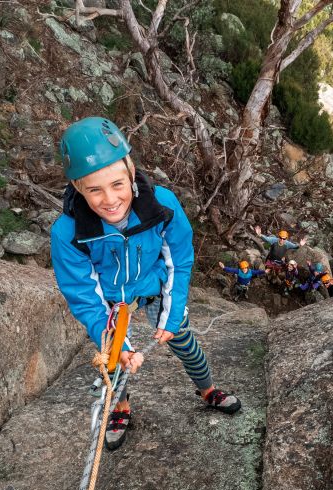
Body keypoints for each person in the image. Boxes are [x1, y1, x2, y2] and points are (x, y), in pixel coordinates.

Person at [51, 117, 241, 451]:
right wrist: (118, 346)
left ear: (131, 172)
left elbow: (178, 259)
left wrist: (172, 309)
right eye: (94, 189)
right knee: (112, 358)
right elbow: (84, 296)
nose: (109, 200)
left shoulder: (161, 205)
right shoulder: (69, 233)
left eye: (117, 185)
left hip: (152, 284)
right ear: (78, 188)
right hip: (110, 299)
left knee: (182, 337)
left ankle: (207, 388)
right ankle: (120, 407)